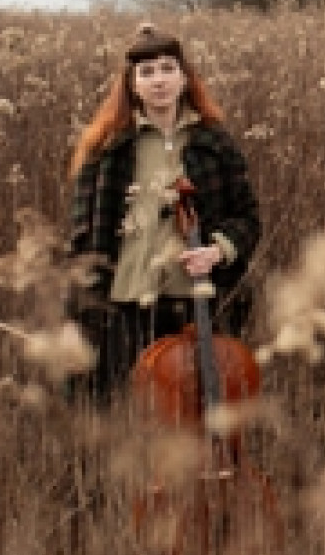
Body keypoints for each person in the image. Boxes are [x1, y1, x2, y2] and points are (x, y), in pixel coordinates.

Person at [67, 24, 262, 402]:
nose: (159, 80)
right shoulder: (107, 148)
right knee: (122, 410)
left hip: (195, 302)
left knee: (193, 410)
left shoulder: (214, 142)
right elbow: (83, 233)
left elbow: (248, 218)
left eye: (168, 68)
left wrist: (217, 251)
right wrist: (87, 297)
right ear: (132, 84)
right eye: (147, 72)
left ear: (184, 77)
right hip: (124, 302)